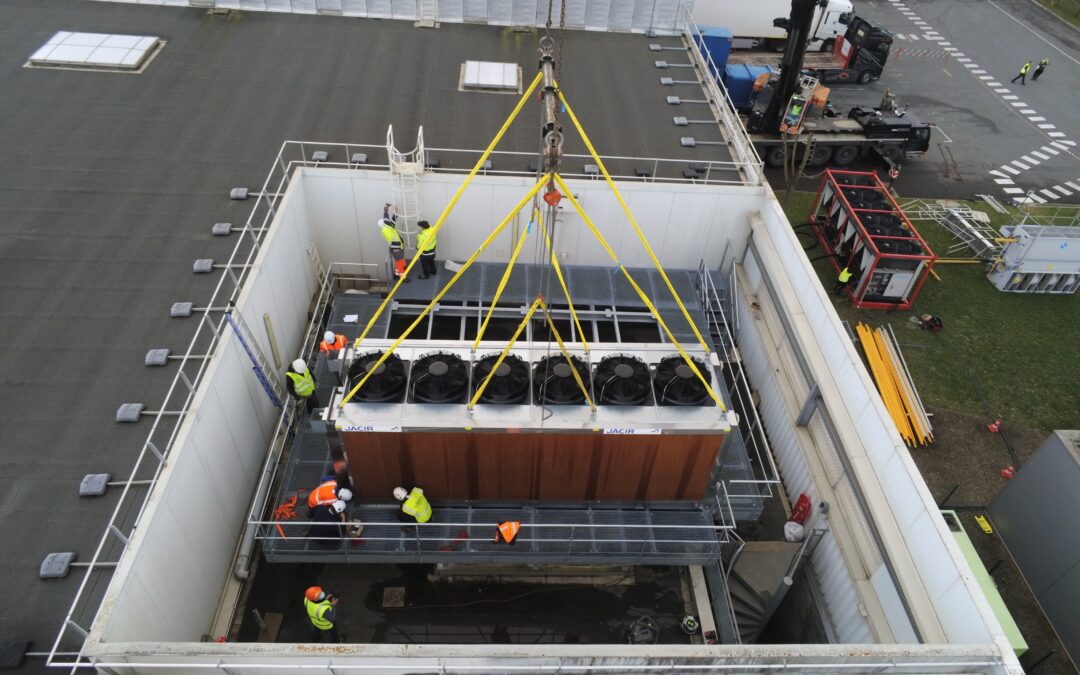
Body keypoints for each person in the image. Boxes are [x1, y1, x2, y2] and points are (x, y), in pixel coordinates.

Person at [378, 204, 407, 281]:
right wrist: (386, 210)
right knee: (401, 262)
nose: (388, 222)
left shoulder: (389, 229)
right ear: (385, 224)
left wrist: (396, 212)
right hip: (396, 248)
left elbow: (393, 220)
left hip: (396, 248)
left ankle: (397, 275)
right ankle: (402, 278)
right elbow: (386, 218)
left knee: (399, 261)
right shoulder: (387, 229)